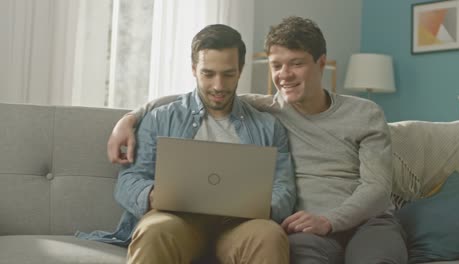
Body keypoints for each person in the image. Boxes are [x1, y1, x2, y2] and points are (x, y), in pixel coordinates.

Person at [108, 16, 408, 263]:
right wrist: (131, 117)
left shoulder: (270, 118)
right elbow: (131, 176)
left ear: (321, 63)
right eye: (277, 65)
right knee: (158, 230)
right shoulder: (170, 117)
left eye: (297, 63)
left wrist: (309, 217)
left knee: (279, 237)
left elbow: (371, 187)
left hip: (354, 222)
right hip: (191, 220)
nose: (285, 75)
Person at [77, 24, 296, 264]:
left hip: (242, 225)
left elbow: (284, 189)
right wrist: (152, 195)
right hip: (176, 220)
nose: (218, 86)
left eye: (228, 74)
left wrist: (262, 206)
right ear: (194, 69)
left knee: (269, 236)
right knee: (154, 231)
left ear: (240, 70)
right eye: (208, 73)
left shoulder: (268, 127)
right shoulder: (160, 118)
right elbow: (128, 181)